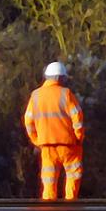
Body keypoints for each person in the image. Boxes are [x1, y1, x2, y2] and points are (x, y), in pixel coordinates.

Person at [24, 61, 85, 200]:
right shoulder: (66, 94)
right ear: (59, 78)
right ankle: (71, 208)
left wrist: (37, 141)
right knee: (73, 176)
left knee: (49, 180)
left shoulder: (36, 95)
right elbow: (78, 118)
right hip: (69, 146)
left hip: (46, 146)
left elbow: (28, 121)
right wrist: (78, 138)